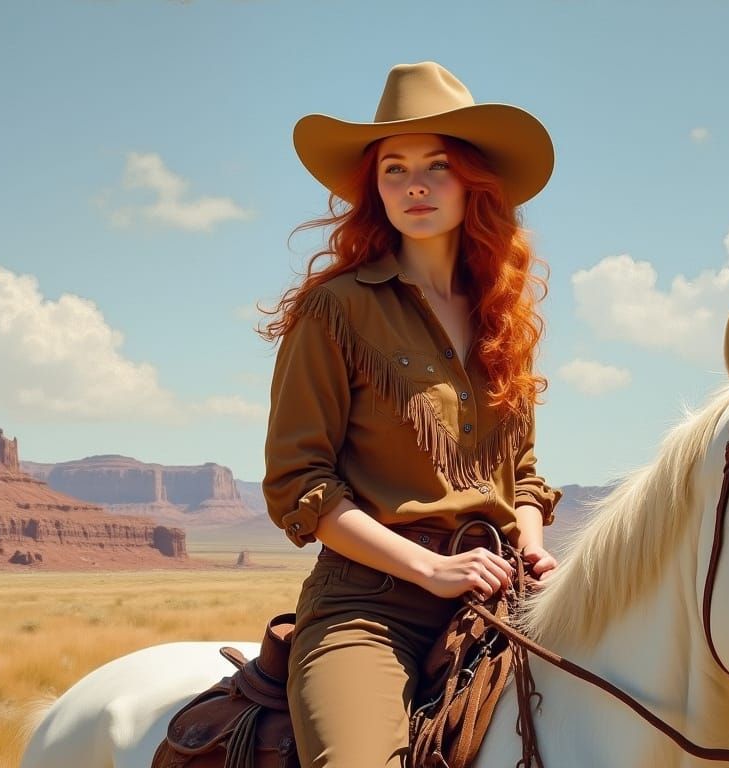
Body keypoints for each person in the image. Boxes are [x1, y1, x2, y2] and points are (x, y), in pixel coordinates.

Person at [260, 61, 561, 768]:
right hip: (371, 608)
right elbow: (299, 484)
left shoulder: (503, 320)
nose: (414, 185)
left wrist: (533, 539)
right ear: (375, 190)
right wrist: (429, 569)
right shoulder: (337, 310)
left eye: (436, 166)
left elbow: (522, 474)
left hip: (500, 594)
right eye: (394, 169)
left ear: (473, 182)